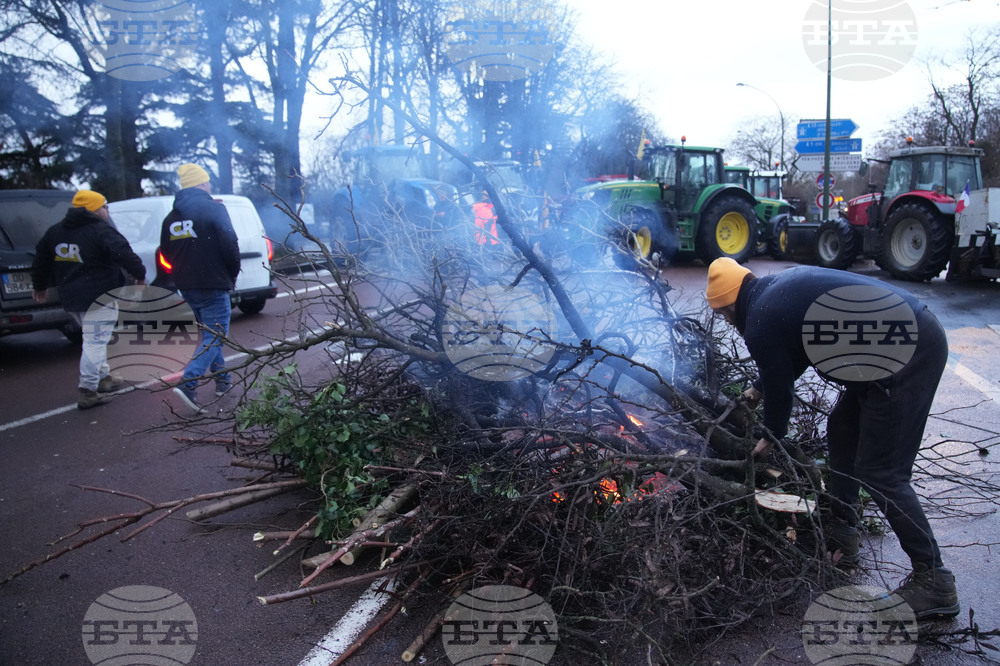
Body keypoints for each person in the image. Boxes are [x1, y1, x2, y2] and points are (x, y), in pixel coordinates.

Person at [704, 258, 959, 620]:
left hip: (908, 352)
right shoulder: (773, 295)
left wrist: (770, 439)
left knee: (883, 473)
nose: (729, 323)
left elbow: (782, 390)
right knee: (841, 428)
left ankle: (934, 579)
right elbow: (794, 353)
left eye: (725, 316)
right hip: (896, 341)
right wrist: (756, 390)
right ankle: (842, 530)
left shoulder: (758, 322)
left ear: (729, 306)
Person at [31, 190, 146, 409]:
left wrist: (39, 285)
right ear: (95, 209)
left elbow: (41, 259)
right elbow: (124, 253)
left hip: (72, 297)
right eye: (105, 206)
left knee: (94, 338)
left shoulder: (55, 232)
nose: (107, 211)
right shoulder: (100, 230)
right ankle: (87, 389)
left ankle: (103, 378)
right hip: (99, 295)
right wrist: (140, 275)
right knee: (95, 341)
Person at [160, 163, 240, 412]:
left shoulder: (171, 218)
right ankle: (189, 382)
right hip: (213, 283)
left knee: (209, 334)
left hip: (187, 286)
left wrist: (180, 274)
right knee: (216, 336)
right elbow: (230, 244)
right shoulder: (214, 209)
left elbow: (165, 253)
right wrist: (232, 274)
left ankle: (223, 380)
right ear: (202, 184)